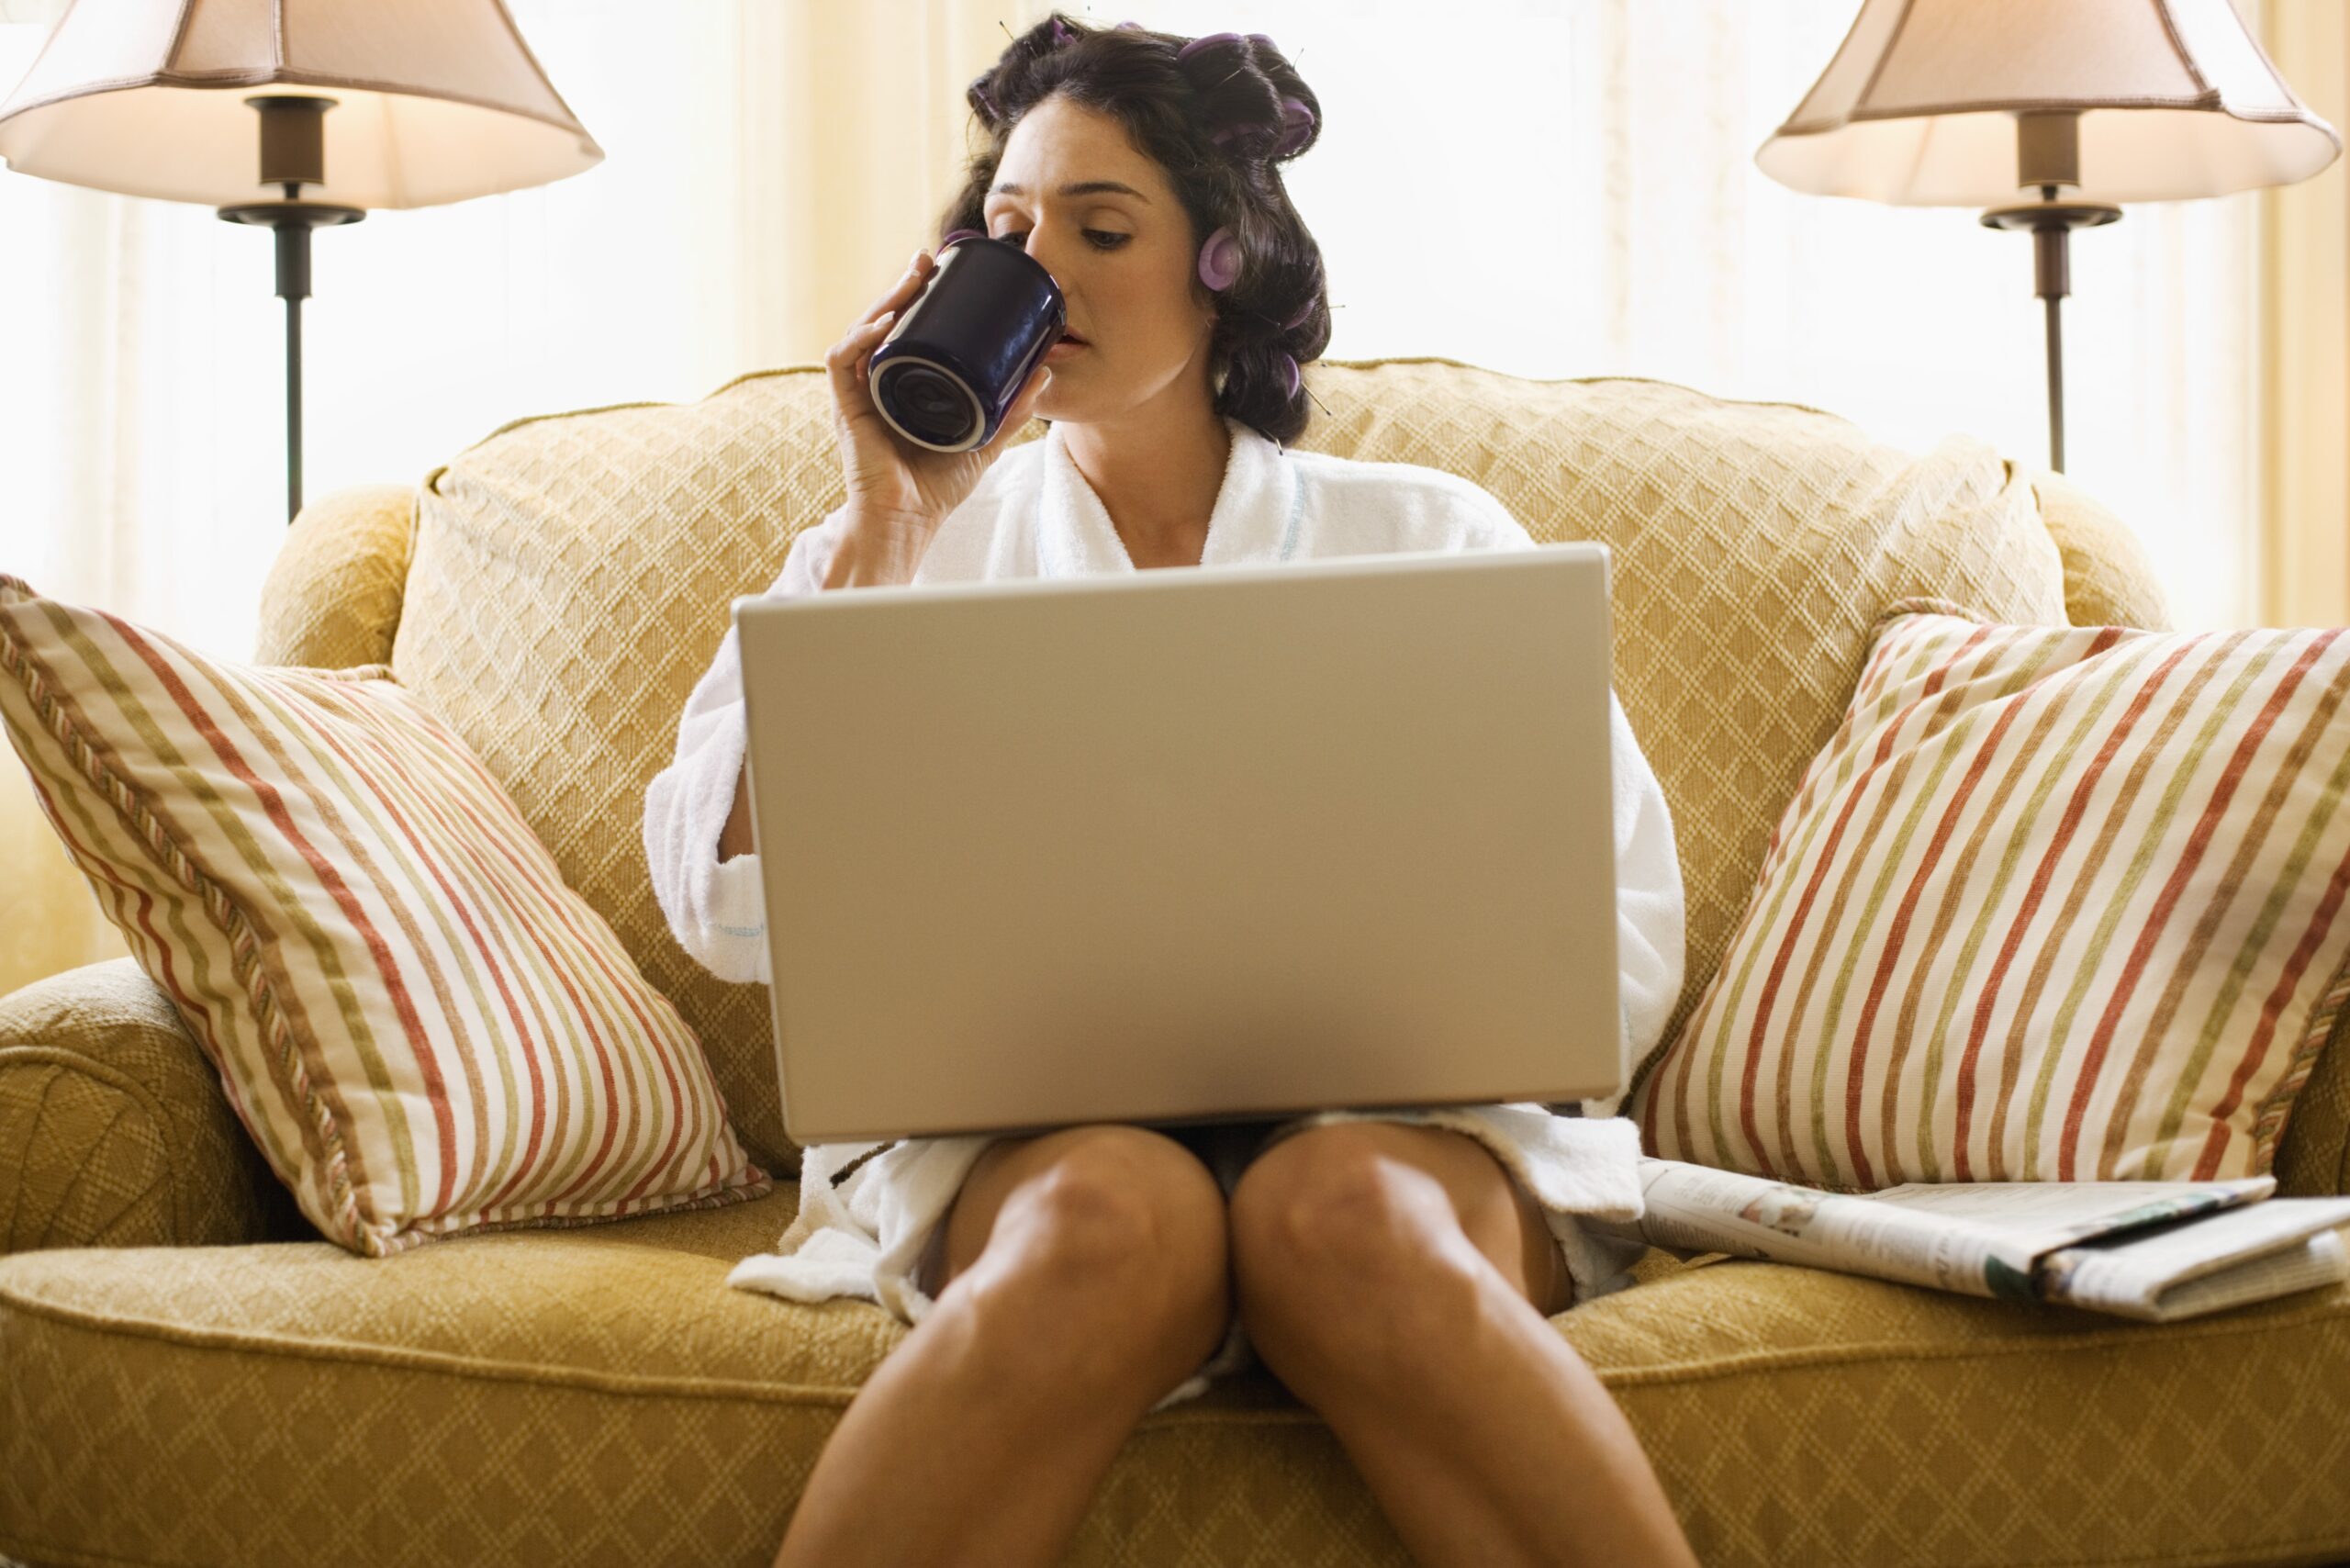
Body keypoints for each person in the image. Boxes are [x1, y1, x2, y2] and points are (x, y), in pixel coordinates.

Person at [643, 16, 1698, 1568]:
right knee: (1112, 1221)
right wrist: (890, 514)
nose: (1038, 267)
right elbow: (726, 906)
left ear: (1226, 265)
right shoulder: (897, 556)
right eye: (1002, 234)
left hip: (1401, 1135)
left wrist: (1396, 1027)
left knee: (1338, 1214)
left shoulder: (1431, 536)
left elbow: (1615, 918)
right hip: (1035, 1143)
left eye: (1101, 225)